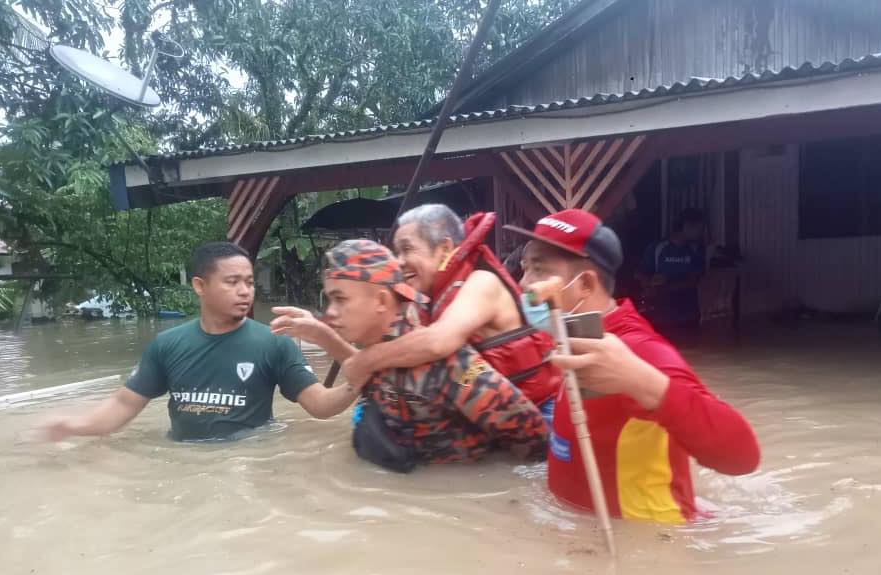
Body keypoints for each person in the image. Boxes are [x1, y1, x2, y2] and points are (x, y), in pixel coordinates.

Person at [509, 209, 760, 524]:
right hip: (578, 534)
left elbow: (743, 457)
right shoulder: (564, 334)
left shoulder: (637, 351)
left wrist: (640, 381)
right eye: (524, 267)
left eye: (538, 269)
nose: (523, 283)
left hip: (645, 546)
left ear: (585, 283)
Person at [40, 242, 357, 443]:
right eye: (232, 282)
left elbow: (319, 405)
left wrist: (358, 378)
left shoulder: (274, 342)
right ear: (199, 286)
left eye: (248, 282)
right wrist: (73, 426)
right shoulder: (167, 345)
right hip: (182, 462)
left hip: (249, 461)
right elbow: (123, 406)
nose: (245, 291)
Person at [315, 238, 547, 472]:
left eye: (340, 299)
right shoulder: (375, 355)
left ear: (381, 300)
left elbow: (533, 435)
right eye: (330, 299)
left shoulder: (443, 365)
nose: (331, 312)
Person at [334, 204, 560, 422]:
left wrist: (366, 360)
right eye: (396, 252)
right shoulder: (425, 301)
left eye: (407, 249)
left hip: (540, 414)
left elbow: (437, 343)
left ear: (444, 248)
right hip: (492, 419)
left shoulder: (482, 282)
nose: (399, 262)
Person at [637, 207, 707, 342]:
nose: (701, 233)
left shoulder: (696, 249)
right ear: (687, 226)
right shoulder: (658, 248)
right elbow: (640, 273)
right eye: (699, 228)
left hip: (689, 313)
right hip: (660, 314)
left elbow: (696, 279)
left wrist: (666, 287)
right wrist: (649, 284)